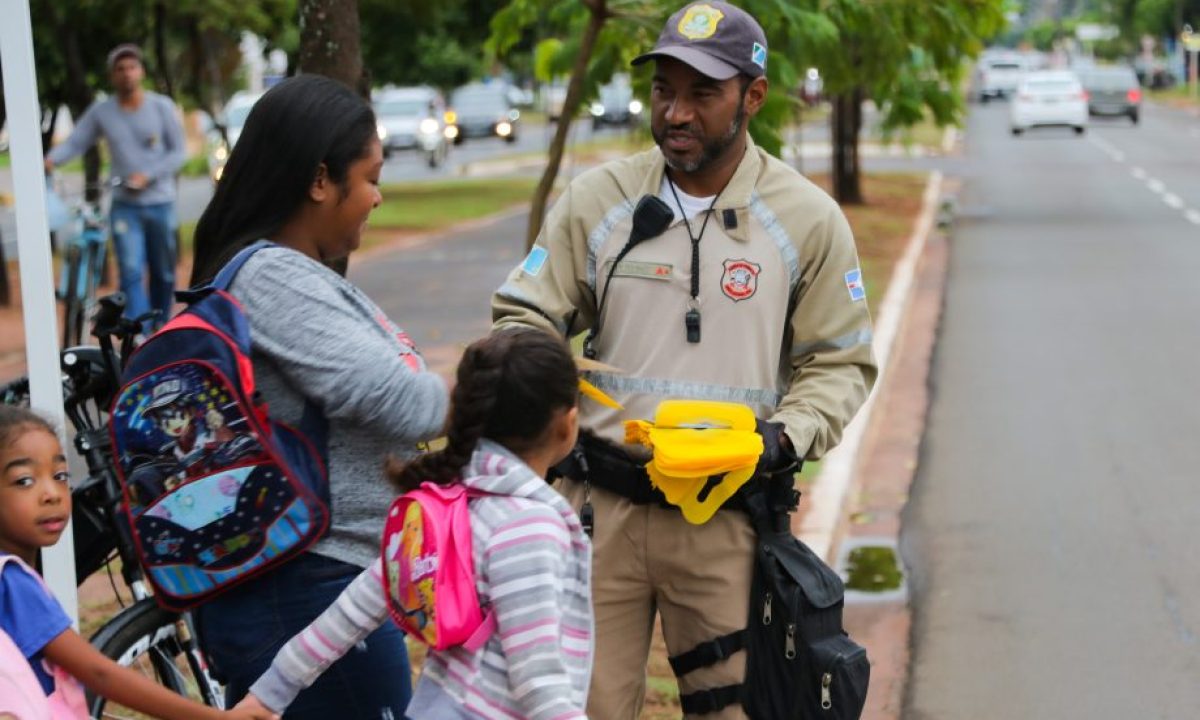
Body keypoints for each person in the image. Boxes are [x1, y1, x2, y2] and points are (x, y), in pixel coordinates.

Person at [490, 2, 878, 717]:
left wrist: (784, 436)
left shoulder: (805, 218)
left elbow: (840, 361)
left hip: (726, 522)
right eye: (664, 89)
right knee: (575, 708)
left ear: (751, 96)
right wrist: (545, 392)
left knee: (735, 708)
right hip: (594, 515)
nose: (676, 112)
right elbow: (524, 315)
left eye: (703, 93)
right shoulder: (599, 201)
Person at [186, 74, 450, 719]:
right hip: (309, 591)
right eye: (369, 177)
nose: (379, 197)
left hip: (324, 583)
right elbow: (392, 397)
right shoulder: (270, 274)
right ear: (319, 180)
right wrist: (490, 399)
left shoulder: (287, 271)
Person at [232, 329, 593, 719]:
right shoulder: (529, 528)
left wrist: (269, 693)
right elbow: (539, 683)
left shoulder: (447, 504)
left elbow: (354, 609)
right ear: (566, 423)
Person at [0, 406, 277, 720]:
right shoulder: (13, 584)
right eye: (24, 481)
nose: (51, 493)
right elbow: (98, 673)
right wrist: (215, 717)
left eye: (61, 476)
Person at [44, 43, 186, 331]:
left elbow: (178, 152)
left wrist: (148, 175)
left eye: (132, 67)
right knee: (131, 270)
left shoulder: (161, 107)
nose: (127, 74)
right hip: (125, 206)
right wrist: (50, 161)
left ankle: (160, 324)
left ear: (141, 71)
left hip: (160, 202)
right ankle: (140, 332)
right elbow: (76, 141)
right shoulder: (102, 111)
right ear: (112, 76)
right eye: (120, 69)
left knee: (164, 272)